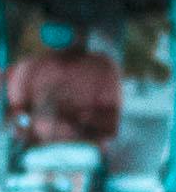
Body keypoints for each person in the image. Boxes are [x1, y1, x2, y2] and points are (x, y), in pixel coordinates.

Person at [6, 18, 124, 152]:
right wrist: (33, 120)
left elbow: (111, 125)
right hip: (36, 156)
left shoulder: (102, 68)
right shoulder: (28, 68)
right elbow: (15, 116)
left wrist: (75, 115)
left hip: (85, 156)